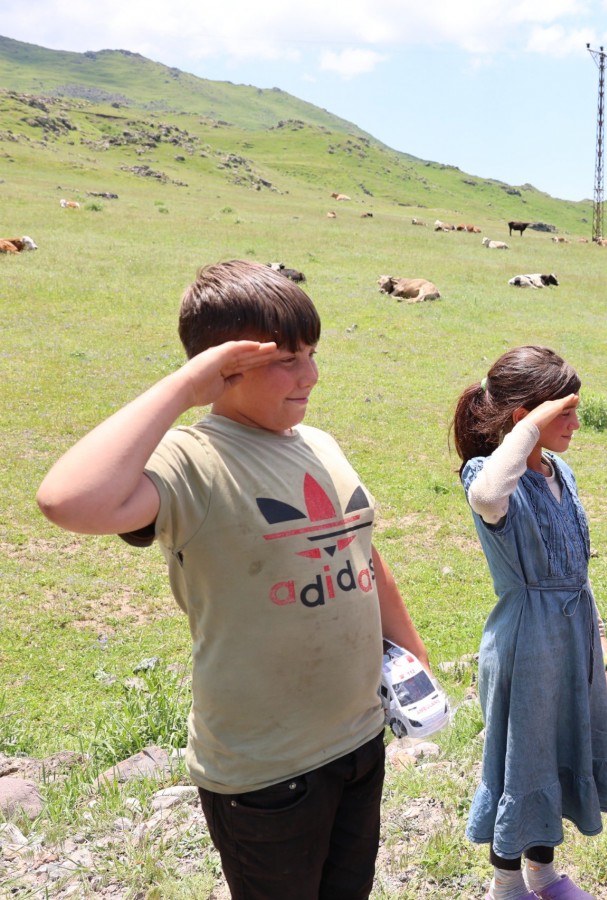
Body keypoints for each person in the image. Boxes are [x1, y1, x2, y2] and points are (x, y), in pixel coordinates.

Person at [35, 260, 429, 899]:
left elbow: (359, 551)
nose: (313, 375)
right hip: (269, 773)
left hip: (359, 739)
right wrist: (185, 386)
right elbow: (67, 500)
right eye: (287, 359)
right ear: (222, 366)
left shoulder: (318, 443)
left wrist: (410, 653)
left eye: (313, 353)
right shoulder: (192, 461)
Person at [451, 346, 607, 900]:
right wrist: (526, 429)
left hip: (572, 635)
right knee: (524, 757)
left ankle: (543, 874)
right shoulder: (488, 473)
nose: (575, 423)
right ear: (526, 417)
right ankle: (505, 884)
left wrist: (602, 645)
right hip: (528, 641)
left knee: (561, 747)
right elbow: (486, 494)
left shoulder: (560, 470)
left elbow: (576, 569)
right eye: (562, 412)